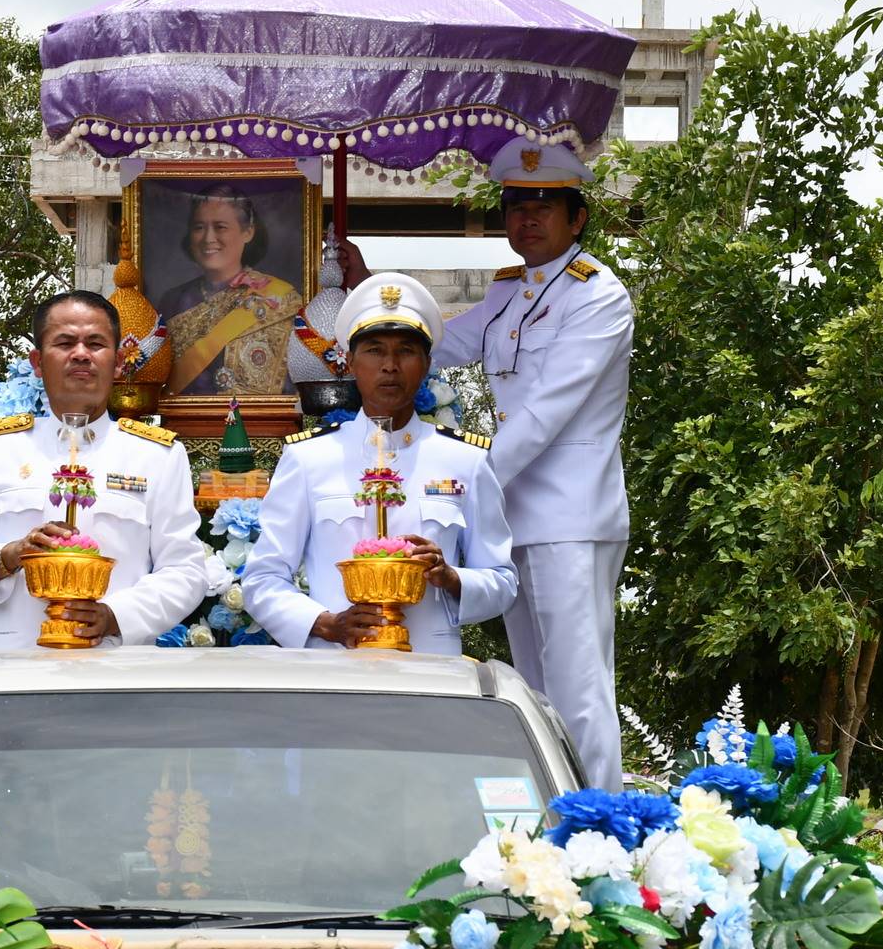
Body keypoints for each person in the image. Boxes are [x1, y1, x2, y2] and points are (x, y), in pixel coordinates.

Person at [431, 135, 634, 790]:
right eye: (517, 203)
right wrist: (364, 303)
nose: (527, 217)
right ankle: (557, 844)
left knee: (579, 694)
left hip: (572, 519)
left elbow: (546, 413)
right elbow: (431, 345)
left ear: (577, 217)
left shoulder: (598, 295)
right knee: (536, 698)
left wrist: (463, 486)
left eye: (544, 204)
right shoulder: (508, 294)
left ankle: (603, 845)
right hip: (514, 516)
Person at [246, 274, 516, 654]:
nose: (390, 365)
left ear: (426, 365)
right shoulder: (309, 459)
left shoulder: (464, 460)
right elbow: (262, 578)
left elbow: (503, 581)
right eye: (374, 350)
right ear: (351, 363)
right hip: (336, 672)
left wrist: (452, 578)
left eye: (406, 351)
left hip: (432, 676)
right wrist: (325, 623)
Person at [0, 291, 205, 650]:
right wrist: (12, 555)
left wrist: (114, 616)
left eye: (95, 343)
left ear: (120, 361)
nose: (81, 354)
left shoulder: (157, 456)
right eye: (64, 342)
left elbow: (186, 572)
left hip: (116, 668)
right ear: (37, 362)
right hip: (15, 668)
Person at [154, 183, 304, 396]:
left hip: (262, 425)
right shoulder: (173, 301)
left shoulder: (281, 299)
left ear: (248, 232)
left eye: (220, 227)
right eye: (199, 227)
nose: (208, 238)